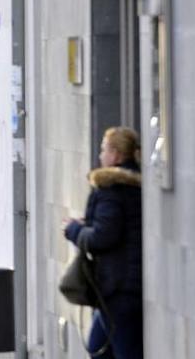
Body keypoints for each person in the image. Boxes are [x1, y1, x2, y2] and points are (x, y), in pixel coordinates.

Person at [63, 127, 143, 359]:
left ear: (116, 155)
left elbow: (102, 237)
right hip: (122, 287)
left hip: (118, 288)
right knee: (99, 348)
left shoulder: (111, 188)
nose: (100, 156)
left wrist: (74, 229)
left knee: (122, 352)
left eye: (104, 150)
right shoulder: (136, 186)